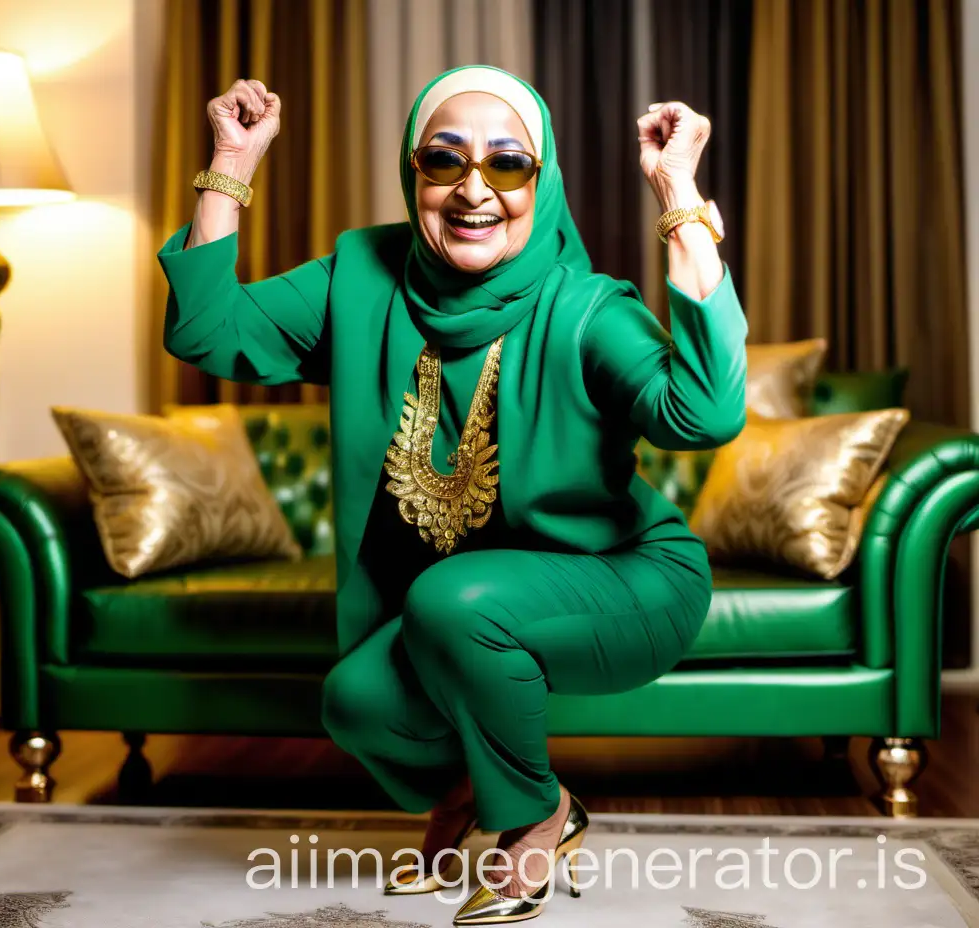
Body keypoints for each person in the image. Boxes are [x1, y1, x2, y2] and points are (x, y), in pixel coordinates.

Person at [157, 65, 746, 925]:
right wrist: (231, 166)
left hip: (629, 582)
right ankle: (478, 782)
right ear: (414, 173)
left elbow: (705, 412)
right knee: (352, 699)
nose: (475, 190)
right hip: (464, 608)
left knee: (450, 599)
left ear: (538, 187)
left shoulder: (585, 307)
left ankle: (533, 816)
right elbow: (207, 330)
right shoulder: (360, 276)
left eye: (508, 166)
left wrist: (679, 195)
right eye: (445, 161)